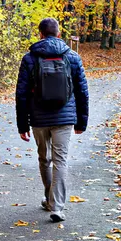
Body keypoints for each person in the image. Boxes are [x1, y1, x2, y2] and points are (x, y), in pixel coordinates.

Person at [15, 18, 89, 222]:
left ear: (40, 34)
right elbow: (82, 91)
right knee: (60, 160)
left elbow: (21, 94)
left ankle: (49, 198)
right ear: (59, 34)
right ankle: (56, 206)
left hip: (38, 119)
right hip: (64, 118)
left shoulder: (30, 58)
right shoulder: (72, 57)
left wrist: (22, 124)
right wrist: (81, 121)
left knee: (44, 159)